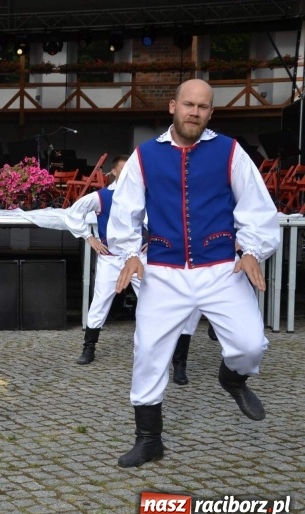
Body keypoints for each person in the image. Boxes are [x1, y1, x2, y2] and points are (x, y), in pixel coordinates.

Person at [107, 79, 280, 468]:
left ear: (211, 112)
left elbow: (257, 207)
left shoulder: (230, 151)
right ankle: (149, 440)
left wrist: (252, 250)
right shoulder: (144, 156)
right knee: (148, 353)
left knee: (250, 344)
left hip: (221, 267)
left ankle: (232, 378)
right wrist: (130, 253)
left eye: (203, 107)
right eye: (188, 104)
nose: (194, 112)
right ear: (173, 106)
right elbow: (125, 210)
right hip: (163, 271)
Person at [65, 165, 199, 367]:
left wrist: (153, 238)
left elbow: (163, 219)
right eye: (123, 169)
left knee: (152, 299)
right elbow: (73, 213)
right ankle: (89, 347)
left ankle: (156, 347)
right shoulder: (101, 197)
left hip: (138, 257)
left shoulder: (144, 195)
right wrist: (89, 237)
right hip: (111, 258)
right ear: (114, 172)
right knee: (100, 301)